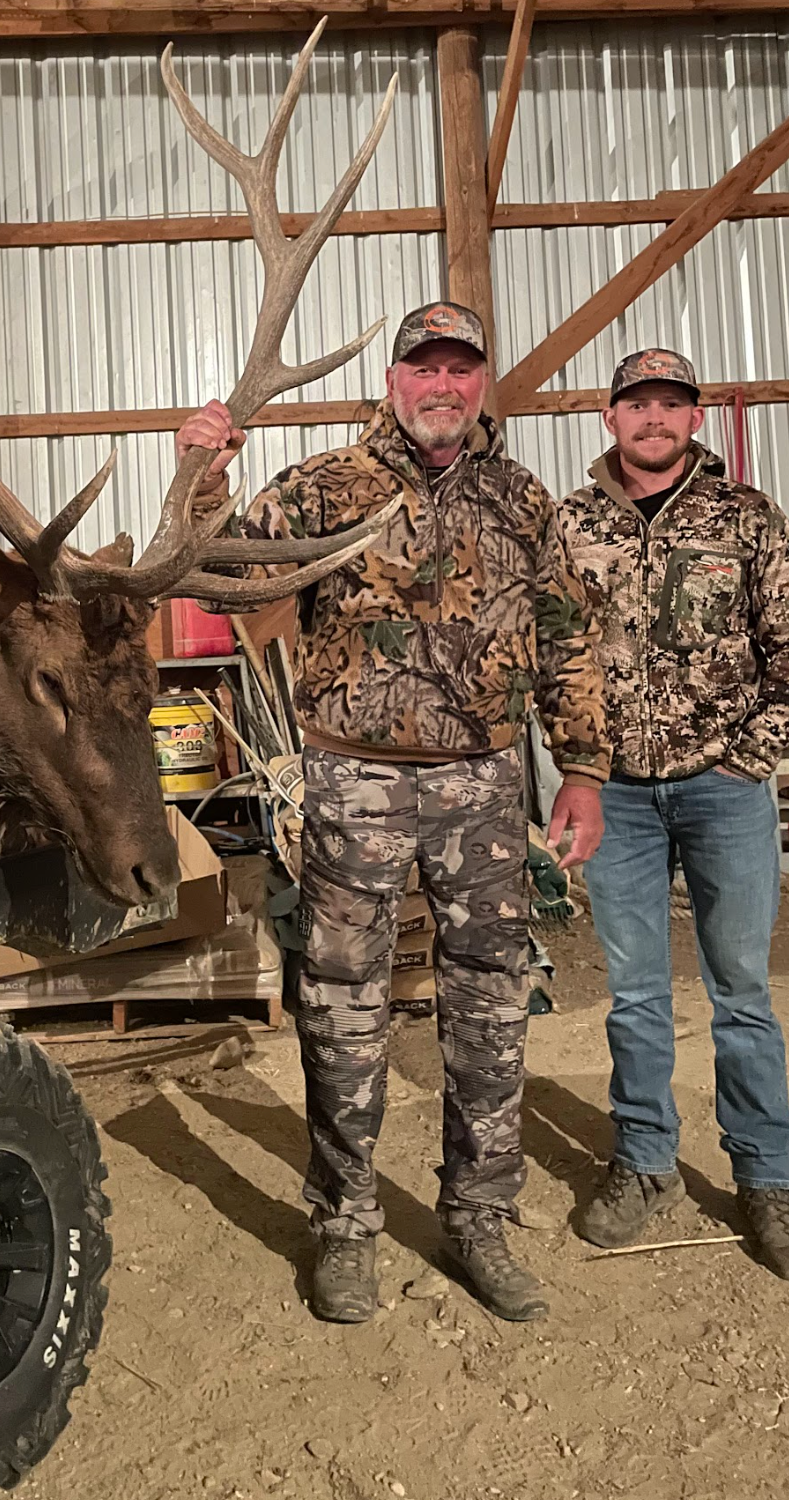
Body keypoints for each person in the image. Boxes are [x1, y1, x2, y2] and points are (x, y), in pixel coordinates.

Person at [177, 301, 608, 1325]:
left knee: (491, 1007)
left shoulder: (521, 499)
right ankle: (344, 1223)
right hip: (350, 785)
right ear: (394, 381)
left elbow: (567, 639)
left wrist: (582, 770)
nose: (443, 386)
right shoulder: (327, 486)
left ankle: (478, 1220)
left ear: (479, 383)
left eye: (462, 369)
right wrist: (202, 476)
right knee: (341, 1005)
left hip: (482, 785)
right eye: (426, 369)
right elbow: (220, 579)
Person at [559, 349, 789, 1274]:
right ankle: (647, 1163)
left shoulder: (748, 519)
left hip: (723, 787)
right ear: (609, 418)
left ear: (695, 419)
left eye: (671, 405)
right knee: (637, 994)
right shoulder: (569, 526)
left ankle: (767, 1175)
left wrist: (750, 760)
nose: (654, 419)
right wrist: (573, 763)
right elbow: (552, 655)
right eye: (637, 404)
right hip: (614, 791)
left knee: (741, 993)